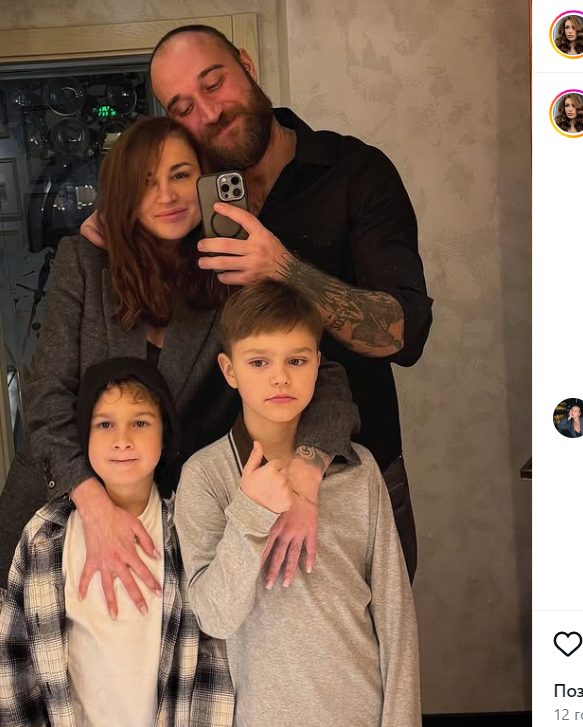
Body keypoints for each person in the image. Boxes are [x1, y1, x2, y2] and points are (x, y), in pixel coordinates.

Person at [84, 25, 431, 582]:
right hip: (230, 482)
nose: (208, 113)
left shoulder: (354, 173)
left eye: (214, 83)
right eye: (183, 107)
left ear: (246, 64)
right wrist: (123, 219)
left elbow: (404, 334)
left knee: (372, 630)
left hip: (353, 469)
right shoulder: (187, 202)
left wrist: (283, 269)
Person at [0, 117, 359, 616]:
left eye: (181, 174)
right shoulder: (83, 262)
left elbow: (321, 374)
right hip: (62, 504)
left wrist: (308, 471)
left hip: (177, 517)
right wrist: (93, 505)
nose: (166, 195)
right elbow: (47, 398)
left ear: (204, 180)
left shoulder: (234, 270)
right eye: (145, 181)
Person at [175, 280, 419, 727]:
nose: (280, 377)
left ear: (318, 364)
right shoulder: (206, 476)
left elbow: (395, 613)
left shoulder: (359, 469)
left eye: (297, 360)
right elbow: (214, 617)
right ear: (229, 370)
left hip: (362, 711)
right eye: (259, 362)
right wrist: (250, 512)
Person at [0, 357, 233, 727]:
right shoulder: (44, 536)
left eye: (140, 422)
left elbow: (213, 660)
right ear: (84, 437)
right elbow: (16, 656)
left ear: (165, 434)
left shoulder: (188, 529)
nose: (122, 440)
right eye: (105, 424)